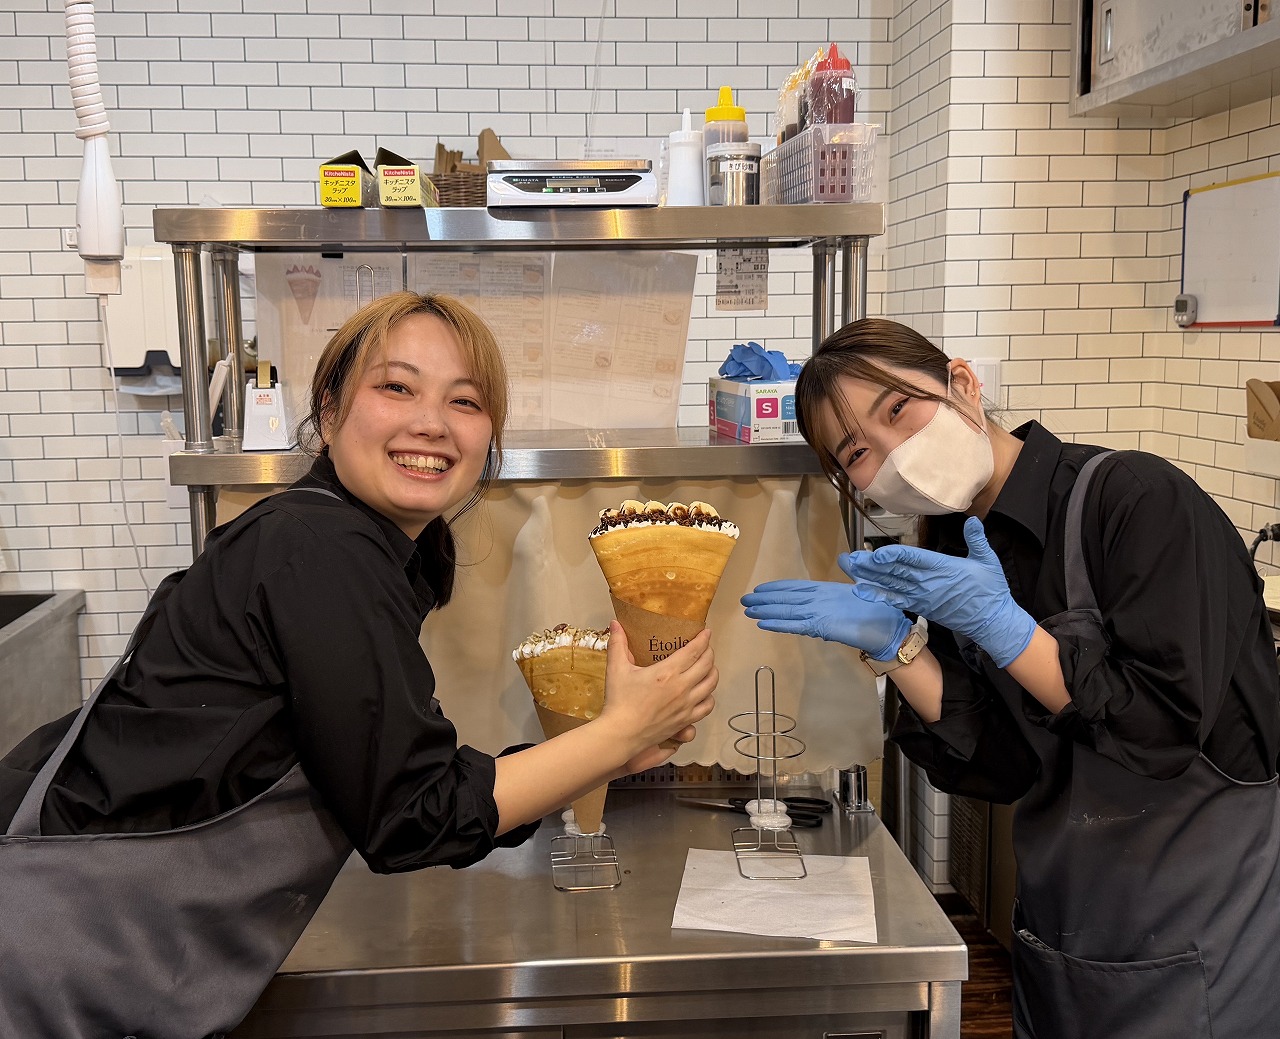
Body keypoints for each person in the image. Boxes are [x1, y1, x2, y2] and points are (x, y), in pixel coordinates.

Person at [0, 291, 718, 1038]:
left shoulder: (352, 547)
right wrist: (615, 731)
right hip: (50, 949)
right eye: (397, 386)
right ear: (331, 409)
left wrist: (611, 745)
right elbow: (412, 815)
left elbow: (391, 774)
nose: (431, 423)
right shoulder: (317, 547)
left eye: (464, 401)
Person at [741, 318, 1280, 1039]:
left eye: (898, 409)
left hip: (1202, 936)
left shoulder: (1136, 501)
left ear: (962, 385)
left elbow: (1160, 731)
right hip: (1064, 936)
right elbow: (1003, 764)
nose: (893, 451)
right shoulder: (955, 546)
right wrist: (903, 651)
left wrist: (1009, 630)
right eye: (859, 452)